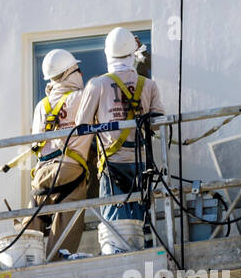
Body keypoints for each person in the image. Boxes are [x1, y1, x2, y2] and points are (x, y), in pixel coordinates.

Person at [74, 27, 163, 241]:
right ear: (133, 54)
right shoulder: (148, 85)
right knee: (141, 222)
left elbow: (80, 125)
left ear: (107, 54)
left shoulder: (97, 84)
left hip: (112, 164)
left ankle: (120, 259)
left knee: (115, 225)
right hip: (141, 163)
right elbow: (158, 122)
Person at [25, 48, 96, 259]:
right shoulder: (82, 97)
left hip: (41, 174)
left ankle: (26, 262)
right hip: (69, 171)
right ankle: (56, 266)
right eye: (78, 70)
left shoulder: (41, 106)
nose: (81, 74)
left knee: (31, 234)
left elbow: (37, 141)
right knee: (65, 233)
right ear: (70, 73)